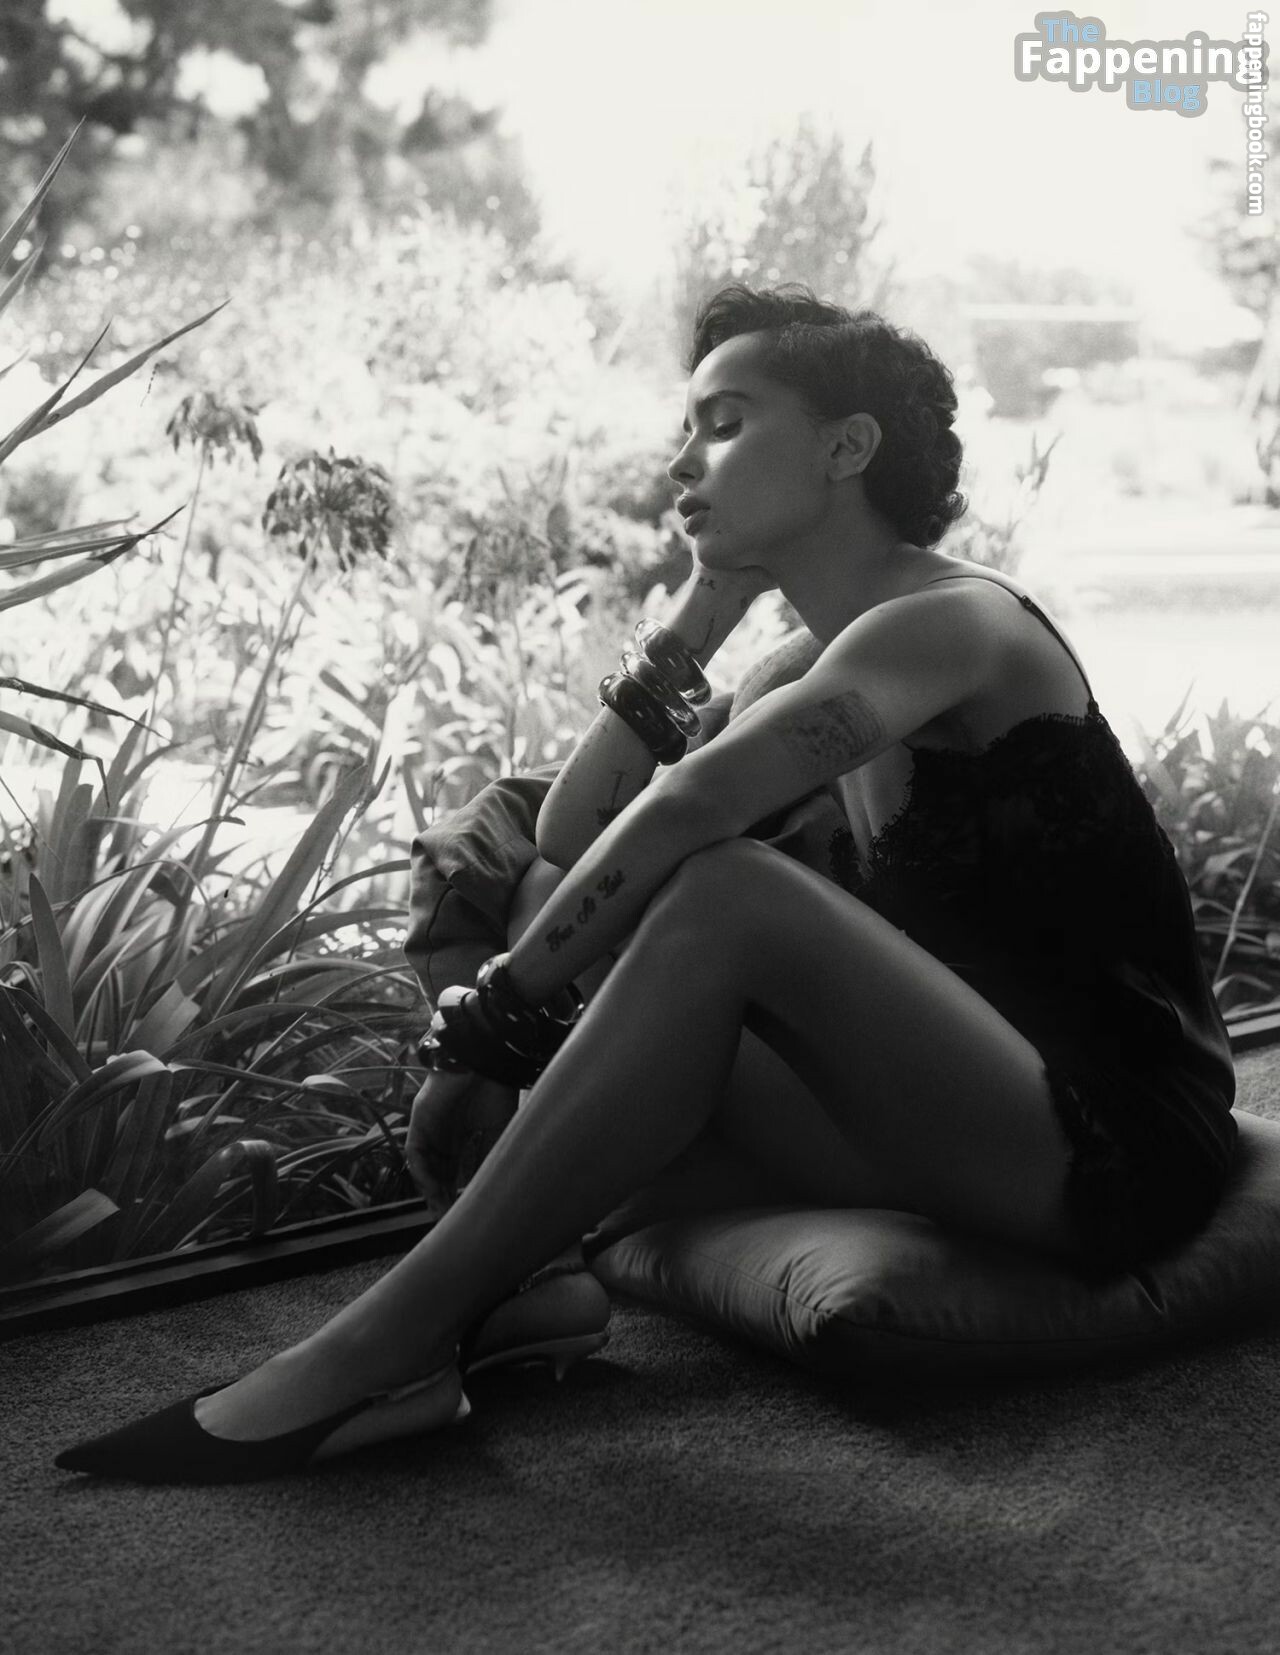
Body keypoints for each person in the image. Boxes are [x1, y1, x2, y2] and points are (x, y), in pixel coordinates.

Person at [55, 283, 1237, 1484]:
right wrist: (703, 610)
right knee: (559, 891)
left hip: (1112, 1144)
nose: (680, 462)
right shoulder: (811, 653)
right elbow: (575, 835)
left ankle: (388, 1341)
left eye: (723, 423)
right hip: (960, 1112)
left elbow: (687, 812)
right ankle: (529, 1282)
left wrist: (488, 1034)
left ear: (845, 448)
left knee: (725, 891)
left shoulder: (953, 622)